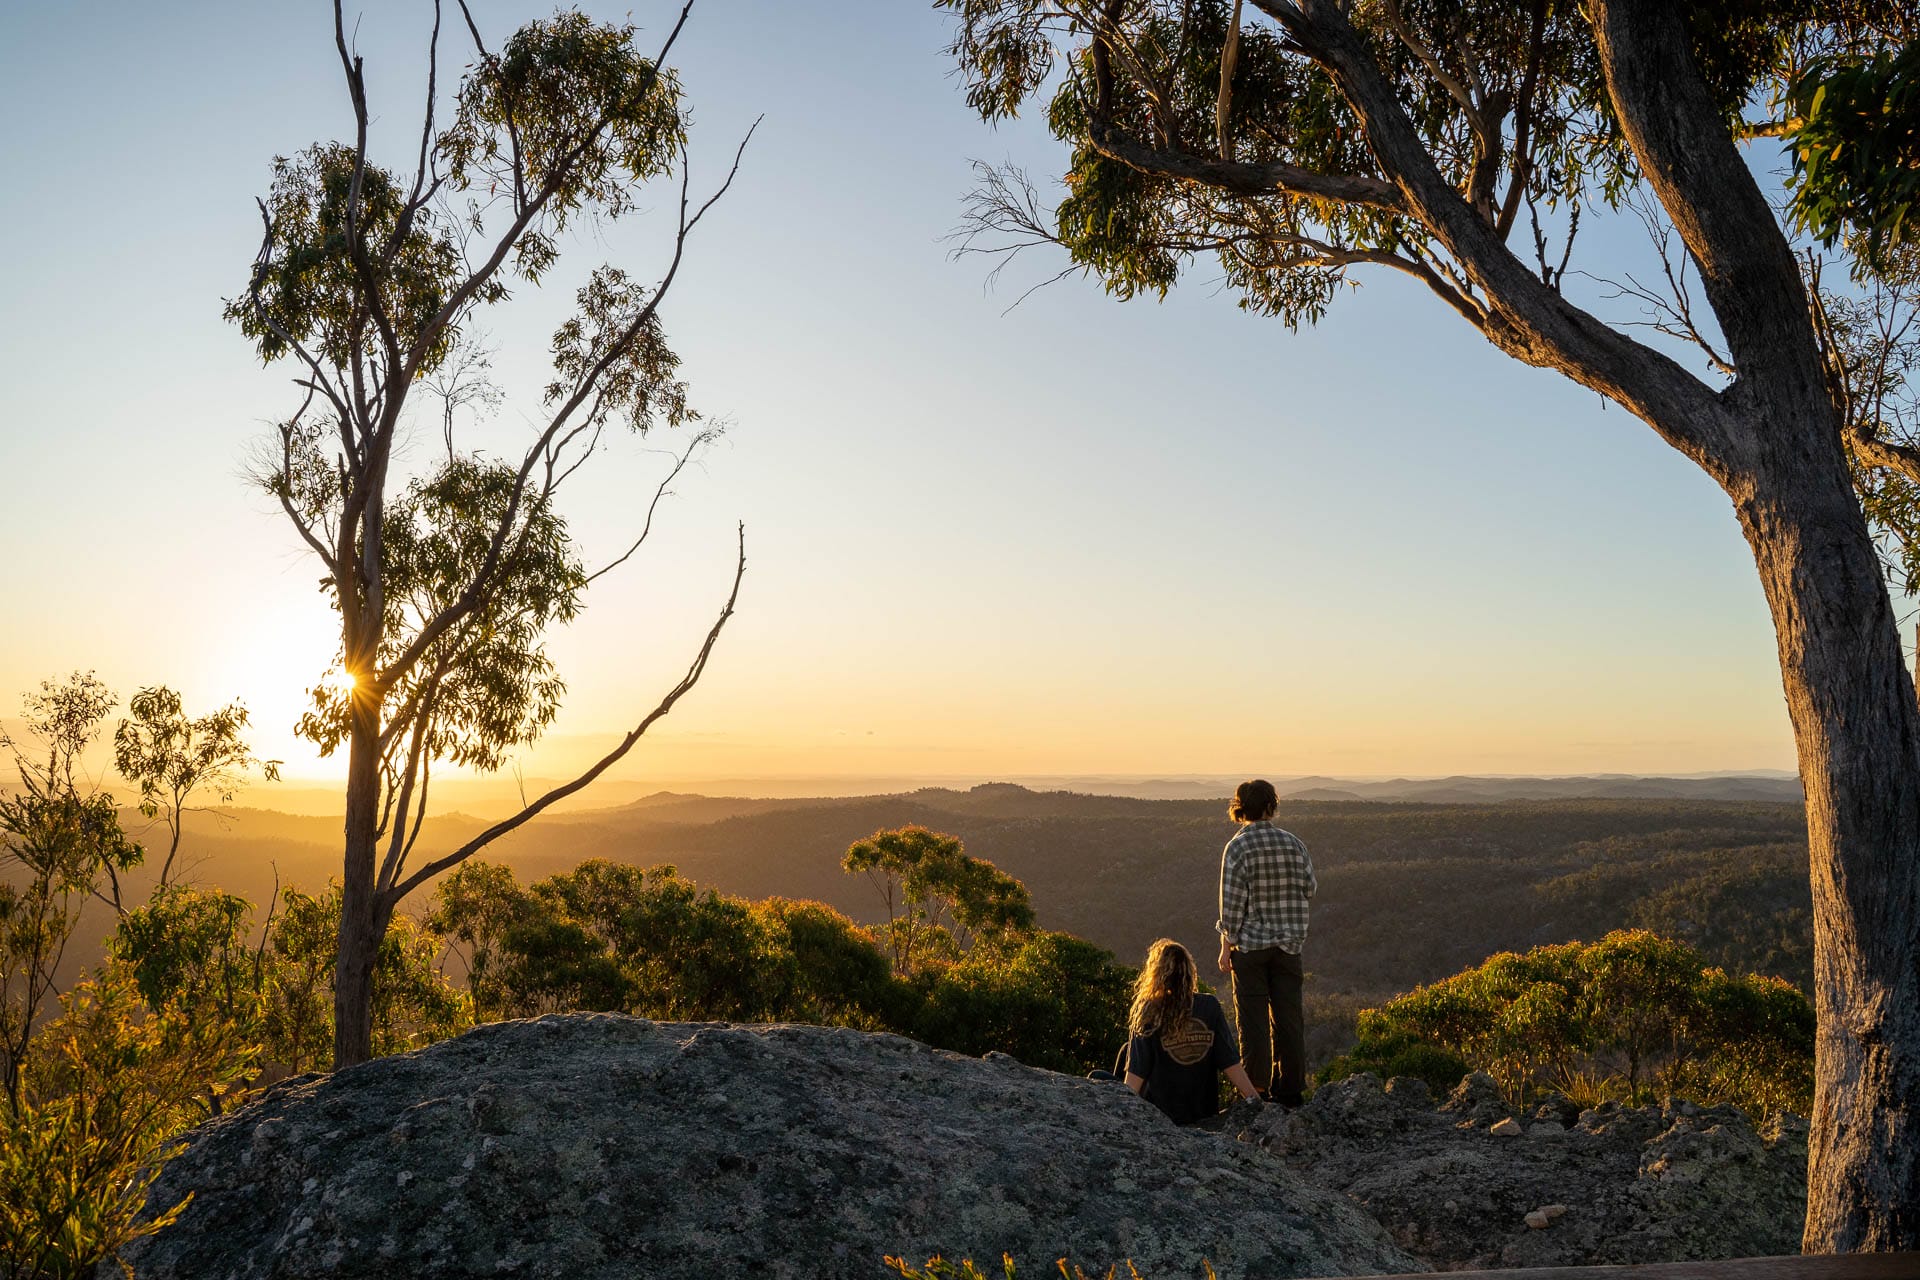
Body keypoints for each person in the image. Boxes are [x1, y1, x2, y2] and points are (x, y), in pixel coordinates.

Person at [1216, 778, 1316, 1107]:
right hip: (1289, 945)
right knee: (1289, 1018)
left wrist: (1226, 944)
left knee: (1253, 1020)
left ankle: (1255, 1091)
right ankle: (1290, 1091)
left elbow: (1231, 904)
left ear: (1240, 807)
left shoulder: (1237, 847)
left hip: (1251, 948)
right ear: (1271, 806)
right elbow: (1310, 887)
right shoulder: (1294, 843)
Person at [1122, 938, 1262, 1124]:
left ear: (1155, 974)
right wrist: (1257, 1103)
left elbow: (1133, 1082)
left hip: (1159, 1120)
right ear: (1189, 972)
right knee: (1126, 1050)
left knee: (1104, 1071)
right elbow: (1231, 1064)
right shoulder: (1209, 1007)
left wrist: (1120, 1116)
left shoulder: (1149, 1012)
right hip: (1204, 1115)